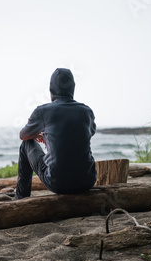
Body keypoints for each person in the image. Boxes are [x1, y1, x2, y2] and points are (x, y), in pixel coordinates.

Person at [16, 68, 97, 199]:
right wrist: (47, 136)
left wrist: (39, 135)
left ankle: (21, 198)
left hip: (57, 183)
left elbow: (23, 135)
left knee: (26, 143)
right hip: (87, 181)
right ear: (72, 88)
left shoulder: (43, 111)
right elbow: (85, 133)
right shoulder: (87, 111)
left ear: (51, 89)